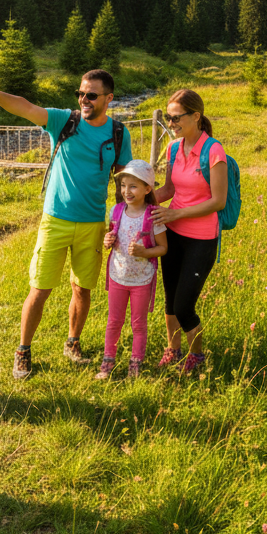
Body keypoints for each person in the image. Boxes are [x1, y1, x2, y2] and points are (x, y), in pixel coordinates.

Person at [0, 69, 132, 379]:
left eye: (91, 95)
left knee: (82, 289)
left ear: (108, 99)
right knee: (40, 289)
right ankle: (23, 352)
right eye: (81, 93)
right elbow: (26, 106)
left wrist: (128, 220)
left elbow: (125, 181)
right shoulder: (64, 121)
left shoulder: (118, 134)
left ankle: (72, 343)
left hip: (93, 224)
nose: (84, 99)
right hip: (56, 219)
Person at [151, 88, 227, 375]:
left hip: (201, 239)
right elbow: (169, 189)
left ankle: (197, 355)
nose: (171, 124)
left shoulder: (214, 150)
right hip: (172, 234)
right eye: (168, 119)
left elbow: (217, 201)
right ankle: (173, 349)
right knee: (170, 300)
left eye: (176, 118)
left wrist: (176, 213)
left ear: (196, 116)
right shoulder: (173, 148)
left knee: (184, 306)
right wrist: (136, 202)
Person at [96, 159, 168, 380]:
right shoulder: (116, 211)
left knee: (138, 324)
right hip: (118, 276)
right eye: (123, 185)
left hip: (142, 280)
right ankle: (108, 362)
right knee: (114, 321)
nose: (126, 191)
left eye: (133, 186)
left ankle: (135, 365)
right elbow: (112, 237)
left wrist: (144, 252)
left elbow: (163, 248)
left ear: (148, 189)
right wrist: (108, 240)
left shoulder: (153, 216)